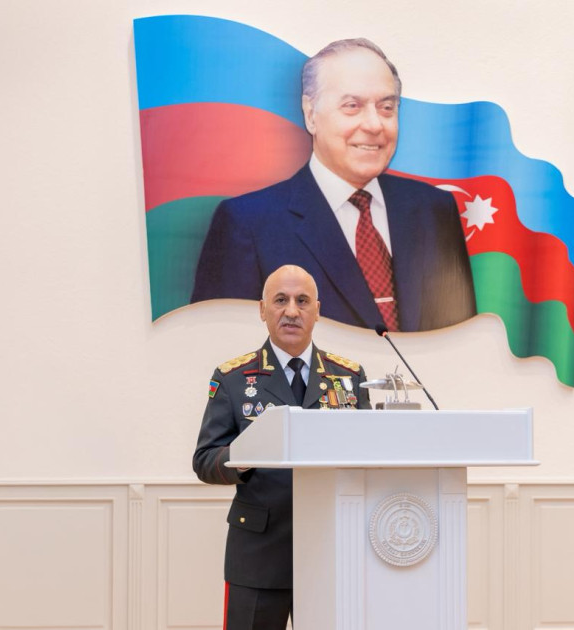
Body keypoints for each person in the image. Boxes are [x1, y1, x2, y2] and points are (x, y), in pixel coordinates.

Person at [191, 38, 476, 332]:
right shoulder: (247, 224)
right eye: (352, 106)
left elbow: (463, 341)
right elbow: (221, 346)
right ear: (310, 114)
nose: (374, 124)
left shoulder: (435, 210)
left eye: (387, 107)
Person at [193, 265, 371, 630]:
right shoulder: (233, 379)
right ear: (263, 310)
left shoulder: (349, 377)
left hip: (332, 550)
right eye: (280, 300)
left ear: (317, 311)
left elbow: (369, 456)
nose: (291, 310)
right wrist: (246, 454)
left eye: (302, 301)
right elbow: (205, 460)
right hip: (258, 554)